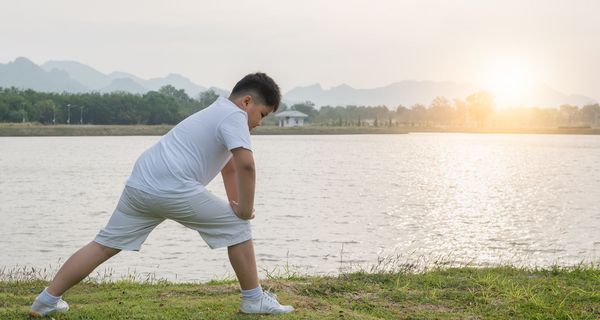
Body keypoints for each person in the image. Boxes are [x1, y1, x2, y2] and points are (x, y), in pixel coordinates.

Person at [30, 72, 294, 317]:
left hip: (141, 183)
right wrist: (244, 212)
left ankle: (46, 300)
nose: (259, 122)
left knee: (103, 245)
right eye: (263, 114)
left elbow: (229, 169)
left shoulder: (215, 112)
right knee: (238, 226)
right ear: (247, 102)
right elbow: (246, 165)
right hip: (171, 186)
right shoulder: (234, 116)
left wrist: (236, 203)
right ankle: (253, 299)